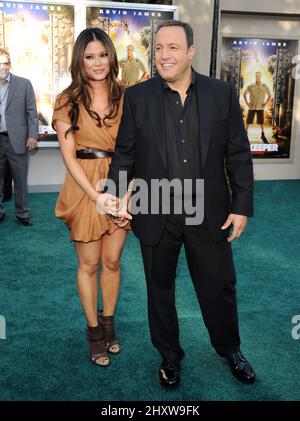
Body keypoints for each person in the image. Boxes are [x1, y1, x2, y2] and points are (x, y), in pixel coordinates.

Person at [99, 20, 256, 387]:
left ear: (190, 52)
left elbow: (238, 153)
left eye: (172, 48)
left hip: (209, 213)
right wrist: (114, 196)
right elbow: (125, 154)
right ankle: (170, 356)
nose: (163, 55)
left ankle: (230, 348)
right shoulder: (137, 97)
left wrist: (241, 204)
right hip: (156, 212)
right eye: (158, 48)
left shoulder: (221, 94)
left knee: (219, 286)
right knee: (160, 290)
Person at [52, 28, 130, 367]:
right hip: (85, 185)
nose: (97, 62)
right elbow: (68, 155)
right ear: (79, 61)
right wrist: (95, 196)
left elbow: (136, 149)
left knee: (113, 261)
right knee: (90, 263)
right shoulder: (67, 99)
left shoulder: (129, 96)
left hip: (121, 183)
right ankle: (94, 332)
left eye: (102, 55)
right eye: (89, 56)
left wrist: (124, 195)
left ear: (111, 56)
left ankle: (110, 323)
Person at [0, 48, 38, 226]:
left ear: (10, 64)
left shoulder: (24, 84)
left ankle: (22, 213)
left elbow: (32, 113)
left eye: (6, 62)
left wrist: (32, 136)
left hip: (18, 139)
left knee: (21, 179)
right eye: (0, 63)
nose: (4, 67)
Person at [243, 71, 271, 144]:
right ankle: (245, 135)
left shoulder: (264, 86)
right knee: (248, 121)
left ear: (260, 77)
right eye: (256, 76)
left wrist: (265, 103)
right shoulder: (251, 86)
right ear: (255, 77)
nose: (257, 77)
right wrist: (247, 103)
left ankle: (262, 135)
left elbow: (269, 95)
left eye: (259, 76)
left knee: (261, 122)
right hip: (252, 107)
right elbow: (244, 94)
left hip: (260, 107)